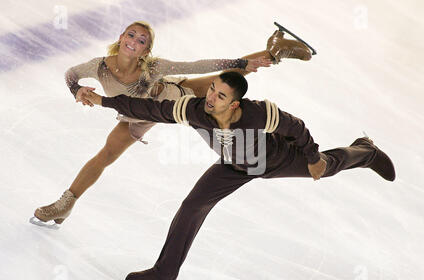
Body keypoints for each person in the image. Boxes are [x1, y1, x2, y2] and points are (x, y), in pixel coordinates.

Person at [83, 71, 396, 280]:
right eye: (212, 90)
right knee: (192, 206)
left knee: (326, 167)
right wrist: (102, 101)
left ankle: (365, 151)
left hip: (273, 159)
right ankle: (163, 273)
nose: (211, 97)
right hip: (232, 166)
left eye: (220, 95)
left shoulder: (259, 114)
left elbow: (297, 127)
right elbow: (150, 109)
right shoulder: (194, 110)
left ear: (234, 103)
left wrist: (313, 158)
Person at [31, 20, 312, 227]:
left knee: (228, 82)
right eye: (131, 35)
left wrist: (239, 61)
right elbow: (71, 74)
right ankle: (65, 205)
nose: (134, 41)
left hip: (179, 101)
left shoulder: (153, 67)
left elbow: (198, 65)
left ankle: (275, 51)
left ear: (146, 50)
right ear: (121, 37)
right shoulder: (100, 65)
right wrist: (76, 89)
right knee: (105, 156)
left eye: (142, 40)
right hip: (135, 116)